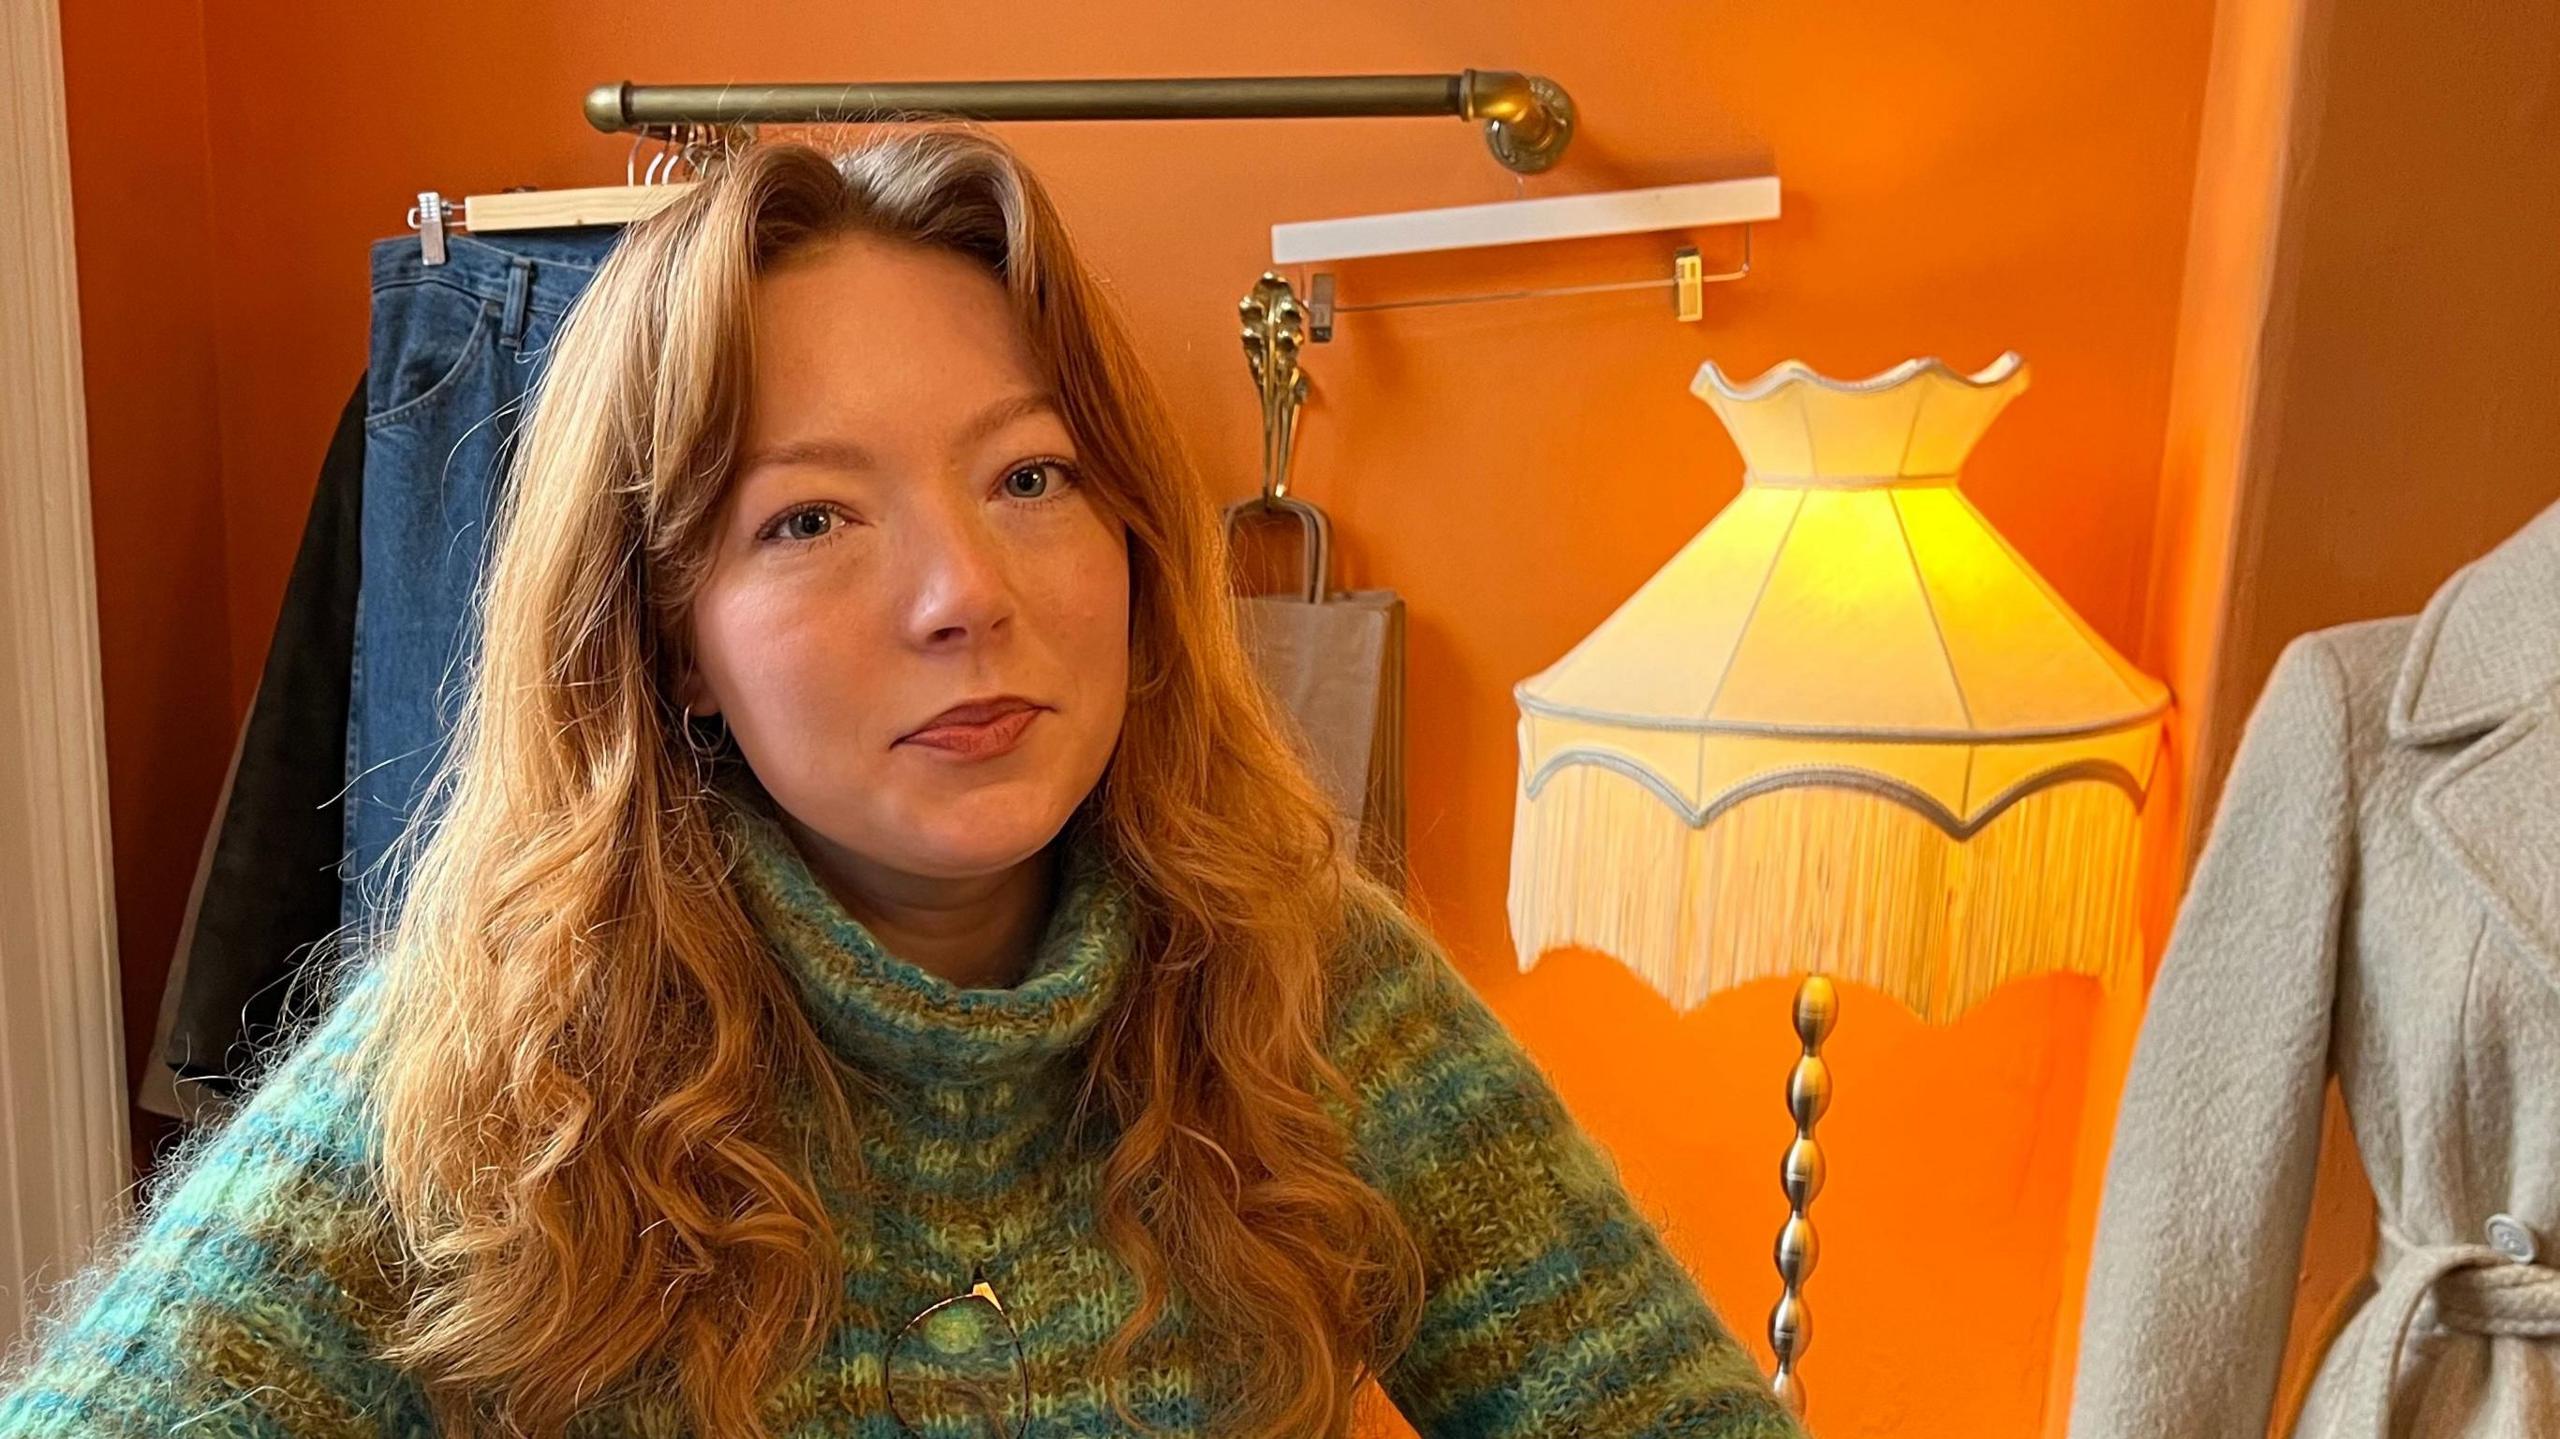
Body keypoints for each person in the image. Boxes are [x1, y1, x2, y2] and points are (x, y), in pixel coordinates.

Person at [0, 130, 1797, 1438]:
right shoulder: (484, 1064)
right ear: (667, 644)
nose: (966, 597)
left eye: (1028, 477)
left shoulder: (1312, 995)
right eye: (809, 518)